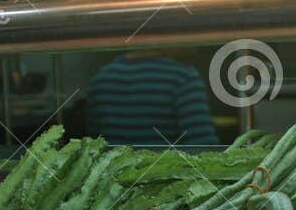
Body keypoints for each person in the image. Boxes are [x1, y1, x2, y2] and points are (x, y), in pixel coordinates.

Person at [85, 51, 218, 145]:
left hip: (110, 181)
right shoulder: (183, 77)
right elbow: (202, 146)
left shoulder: (100, 78)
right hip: (165, 181)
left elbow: (95, 143)